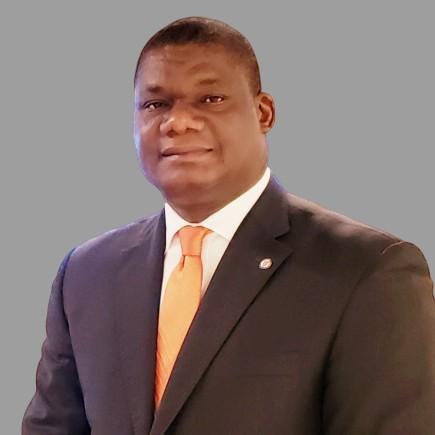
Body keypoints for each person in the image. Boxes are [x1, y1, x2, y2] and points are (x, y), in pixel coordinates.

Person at [22, 16, 435, 435]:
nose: (177, 122)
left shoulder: (367, 271)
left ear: (263, 113)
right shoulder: (87, 273)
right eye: (156, 104)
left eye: (210, 99)